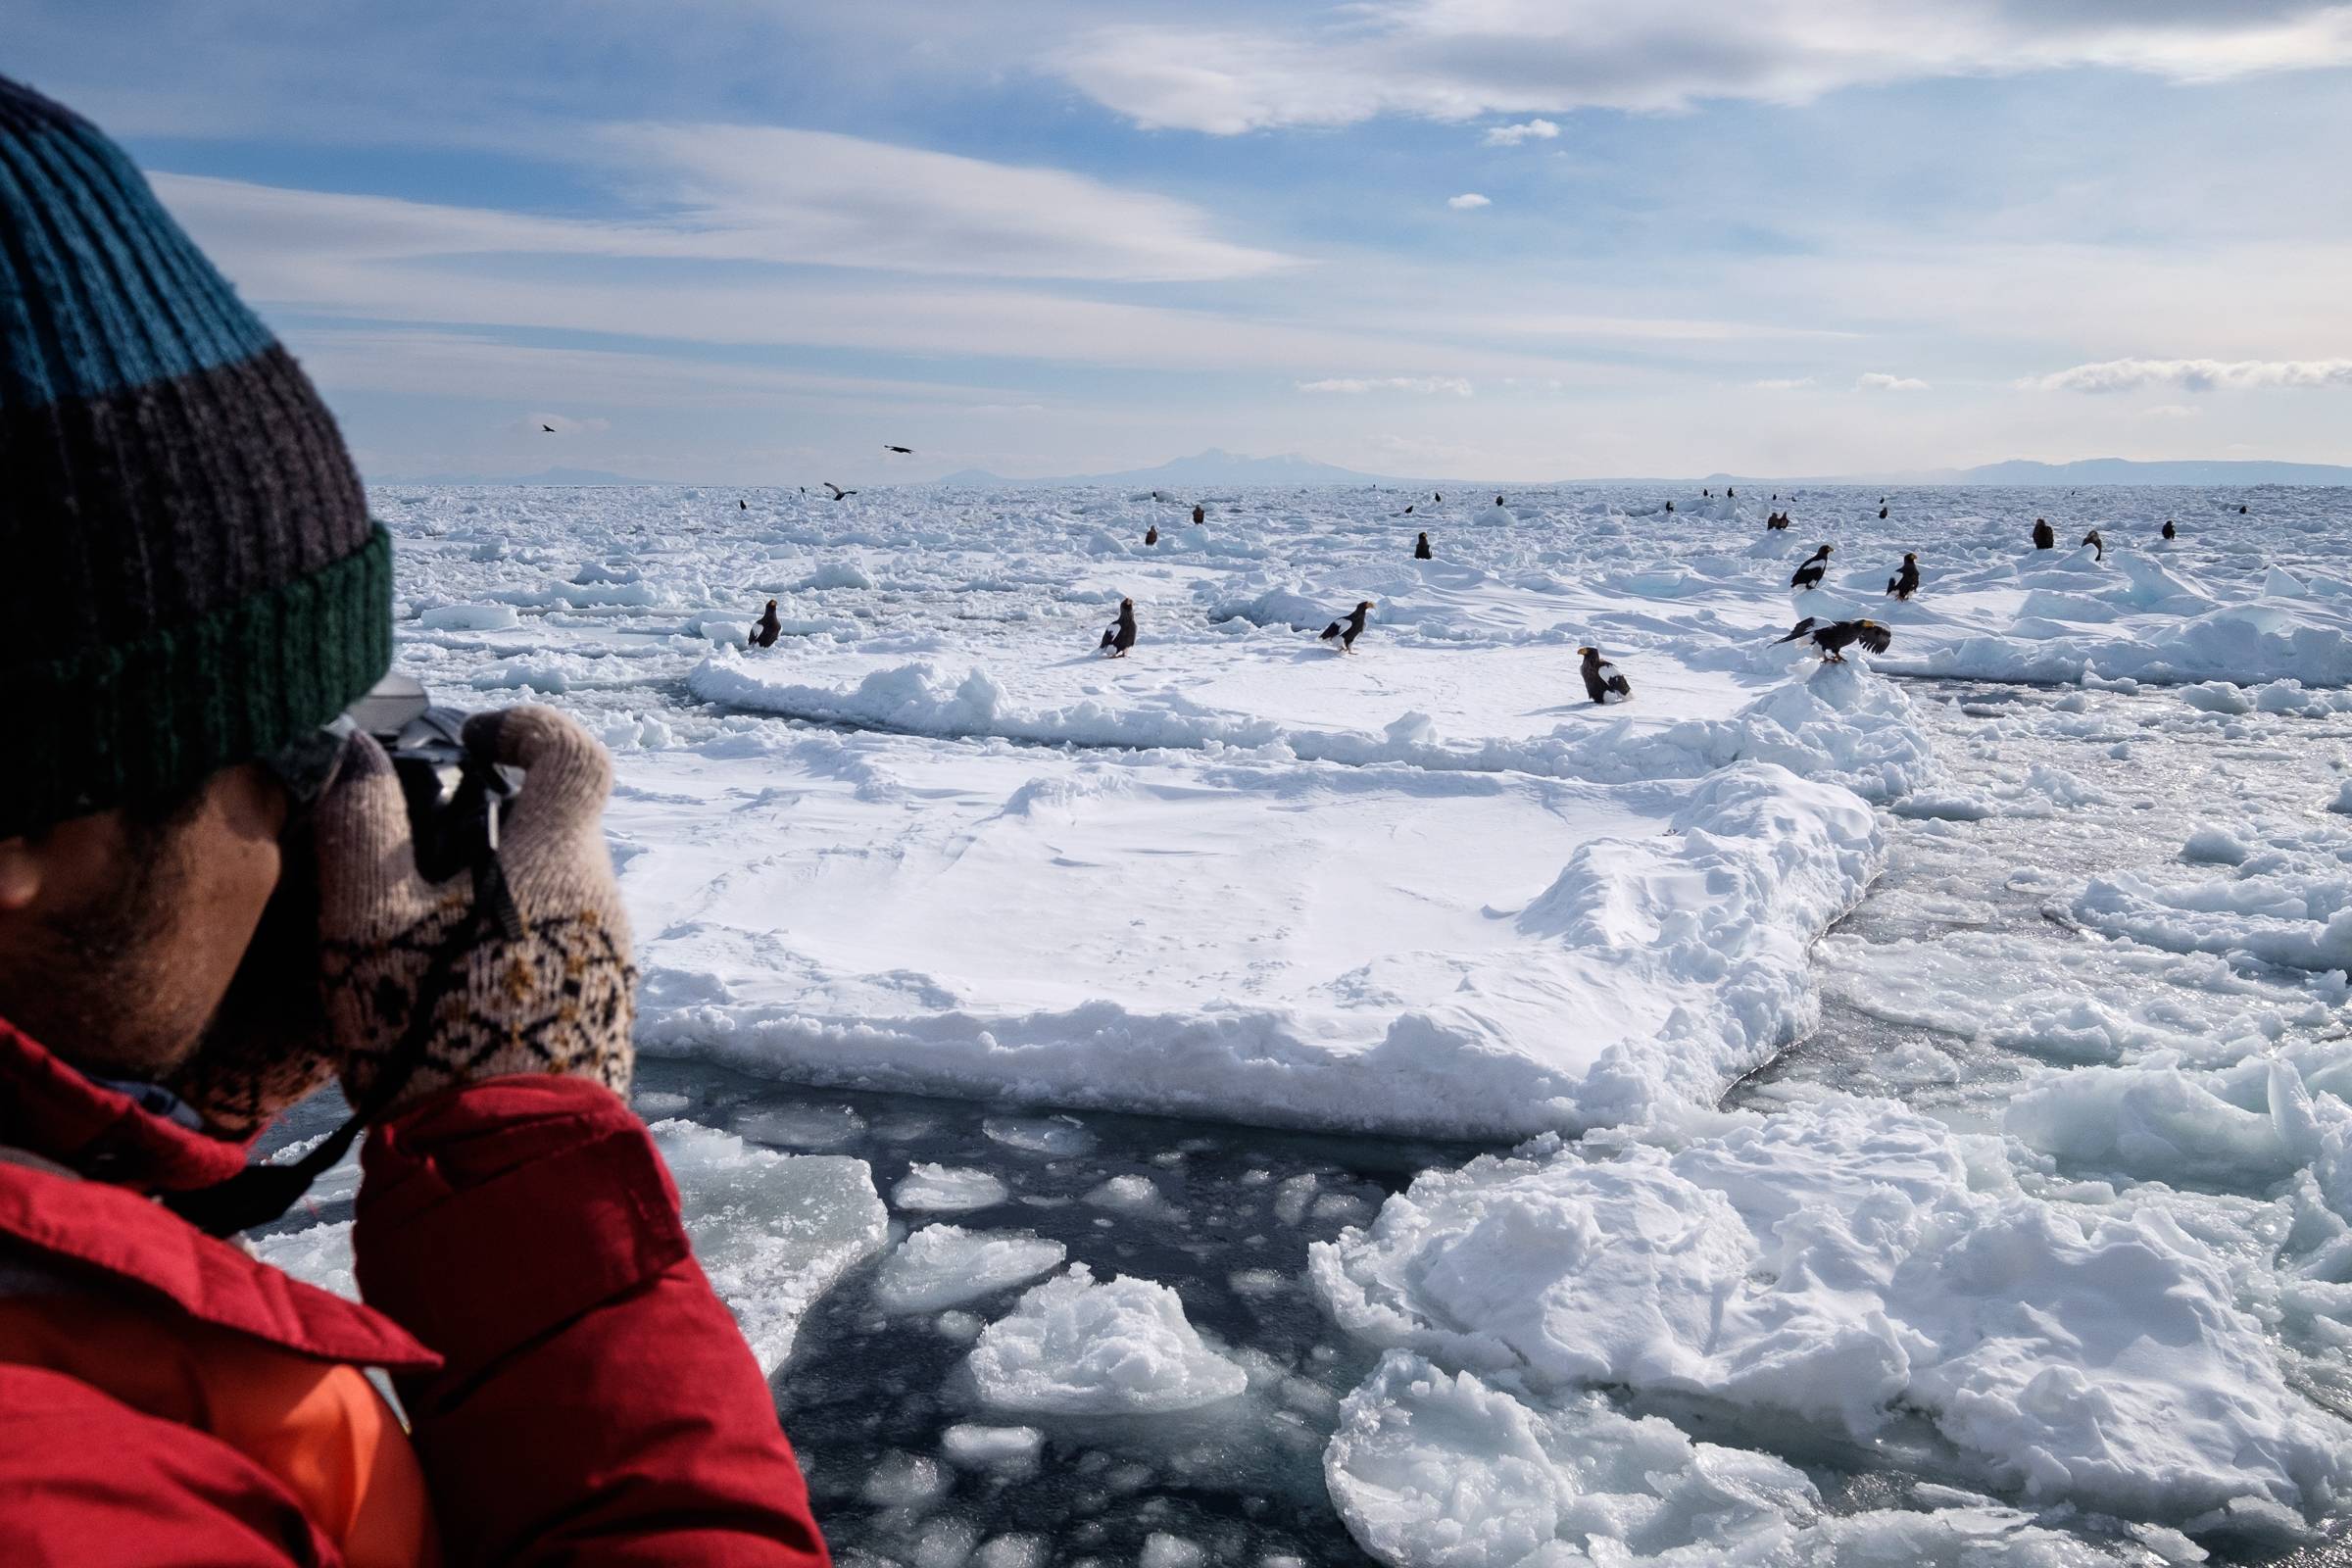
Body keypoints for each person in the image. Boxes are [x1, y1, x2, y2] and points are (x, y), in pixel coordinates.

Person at [0, 76, 827, 1565]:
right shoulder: (55, 1488)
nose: (333, 811)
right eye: (293, 748)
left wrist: (140, 1107)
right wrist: (514, 1126)